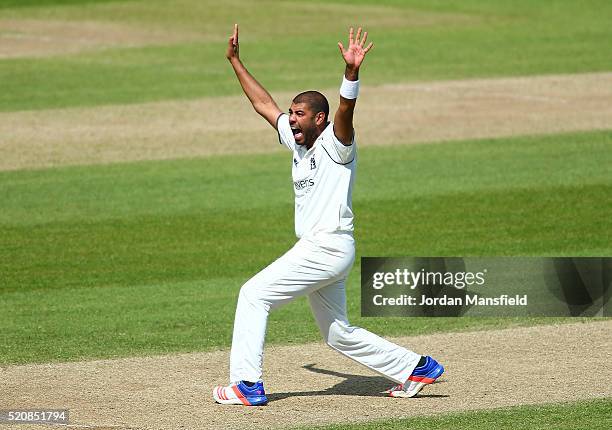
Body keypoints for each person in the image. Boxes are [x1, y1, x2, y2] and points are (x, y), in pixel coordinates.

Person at [213, 24, 444, 406]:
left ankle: (246, 385)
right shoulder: (296, 143)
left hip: (326, 247)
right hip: (325, 250)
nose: (291, 119)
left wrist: (351, 73)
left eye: (299, 114)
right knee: (338, 334)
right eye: (292, 113)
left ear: (319, 119)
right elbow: (263, 105)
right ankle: (416, 367)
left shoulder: (337, 146)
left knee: (253, 295)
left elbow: (346, 109)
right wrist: (236, 62)